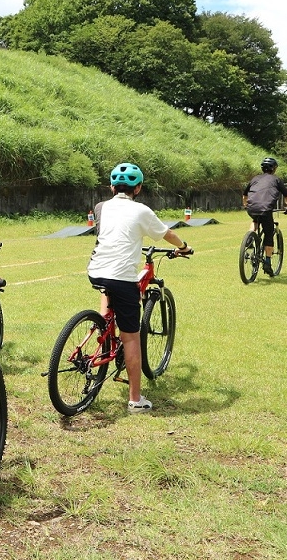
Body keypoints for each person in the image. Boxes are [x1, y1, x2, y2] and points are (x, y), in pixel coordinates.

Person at [87, 162, 192, 414]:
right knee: (131, 336)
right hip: (122, 276)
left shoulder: (101, 207)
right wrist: (183, 247)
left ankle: (102, 327)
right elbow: (167, 234)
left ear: (111, 187)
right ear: (139, 188)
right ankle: (135, 399)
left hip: (95, 269)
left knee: (108, 292)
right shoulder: (142, 211)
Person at [242, 157, 287, 276]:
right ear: (274, 169)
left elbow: (245, 195)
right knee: (269, 232)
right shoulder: (276, 180)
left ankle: (250, 236)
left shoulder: (255, 179)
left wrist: (246, 204)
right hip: (266, 210)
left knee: (255, 220)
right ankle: (267, 262)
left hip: (252, 208)